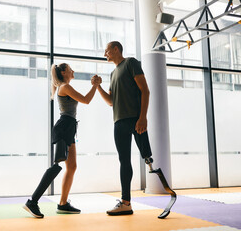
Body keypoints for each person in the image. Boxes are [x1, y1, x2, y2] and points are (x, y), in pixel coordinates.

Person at [23, 63, 101, 218]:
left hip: (69, 127)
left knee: (71, 167)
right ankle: (32, 202)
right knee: (57, 165)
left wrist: (95, 86)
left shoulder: (65, 86)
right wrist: (96, 86)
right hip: (64, 127)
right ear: (64, 72)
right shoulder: (65, 86)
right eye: (70, 69)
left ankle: (63, 204)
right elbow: (86, 100)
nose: (73, 71)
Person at [96, 41, 153, 216]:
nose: (105, 53)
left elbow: (145, 90)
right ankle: (126, 202)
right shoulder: (112, 73)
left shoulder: (130, 63)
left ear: (115, 49)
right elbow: (111, 101)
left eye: (107, 50)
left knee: (148, 157)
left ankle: (159, 181)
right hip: (119, 121)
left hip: (135, 119)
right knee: (124, 162)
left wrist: (143, 117)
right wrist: (98, 86)